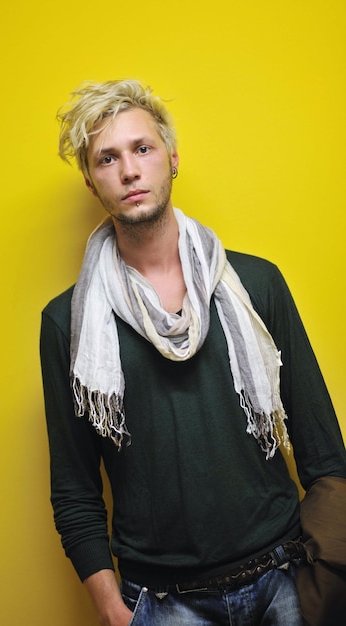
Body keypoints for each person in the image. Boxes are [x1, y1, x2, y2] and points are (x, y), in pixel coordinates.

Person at [40, 79, 346, 626]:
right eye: (107, 158)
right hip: (160, 603)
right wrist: (113, 609)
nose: (129, 171)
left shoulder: (257, 284)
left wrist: (327, 578)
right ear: (91, 181)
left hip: (284, 582)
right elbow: (74, 489)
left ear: (172, 158)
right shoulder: (68, 323)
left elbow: (325, 451)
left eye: (142, 148)